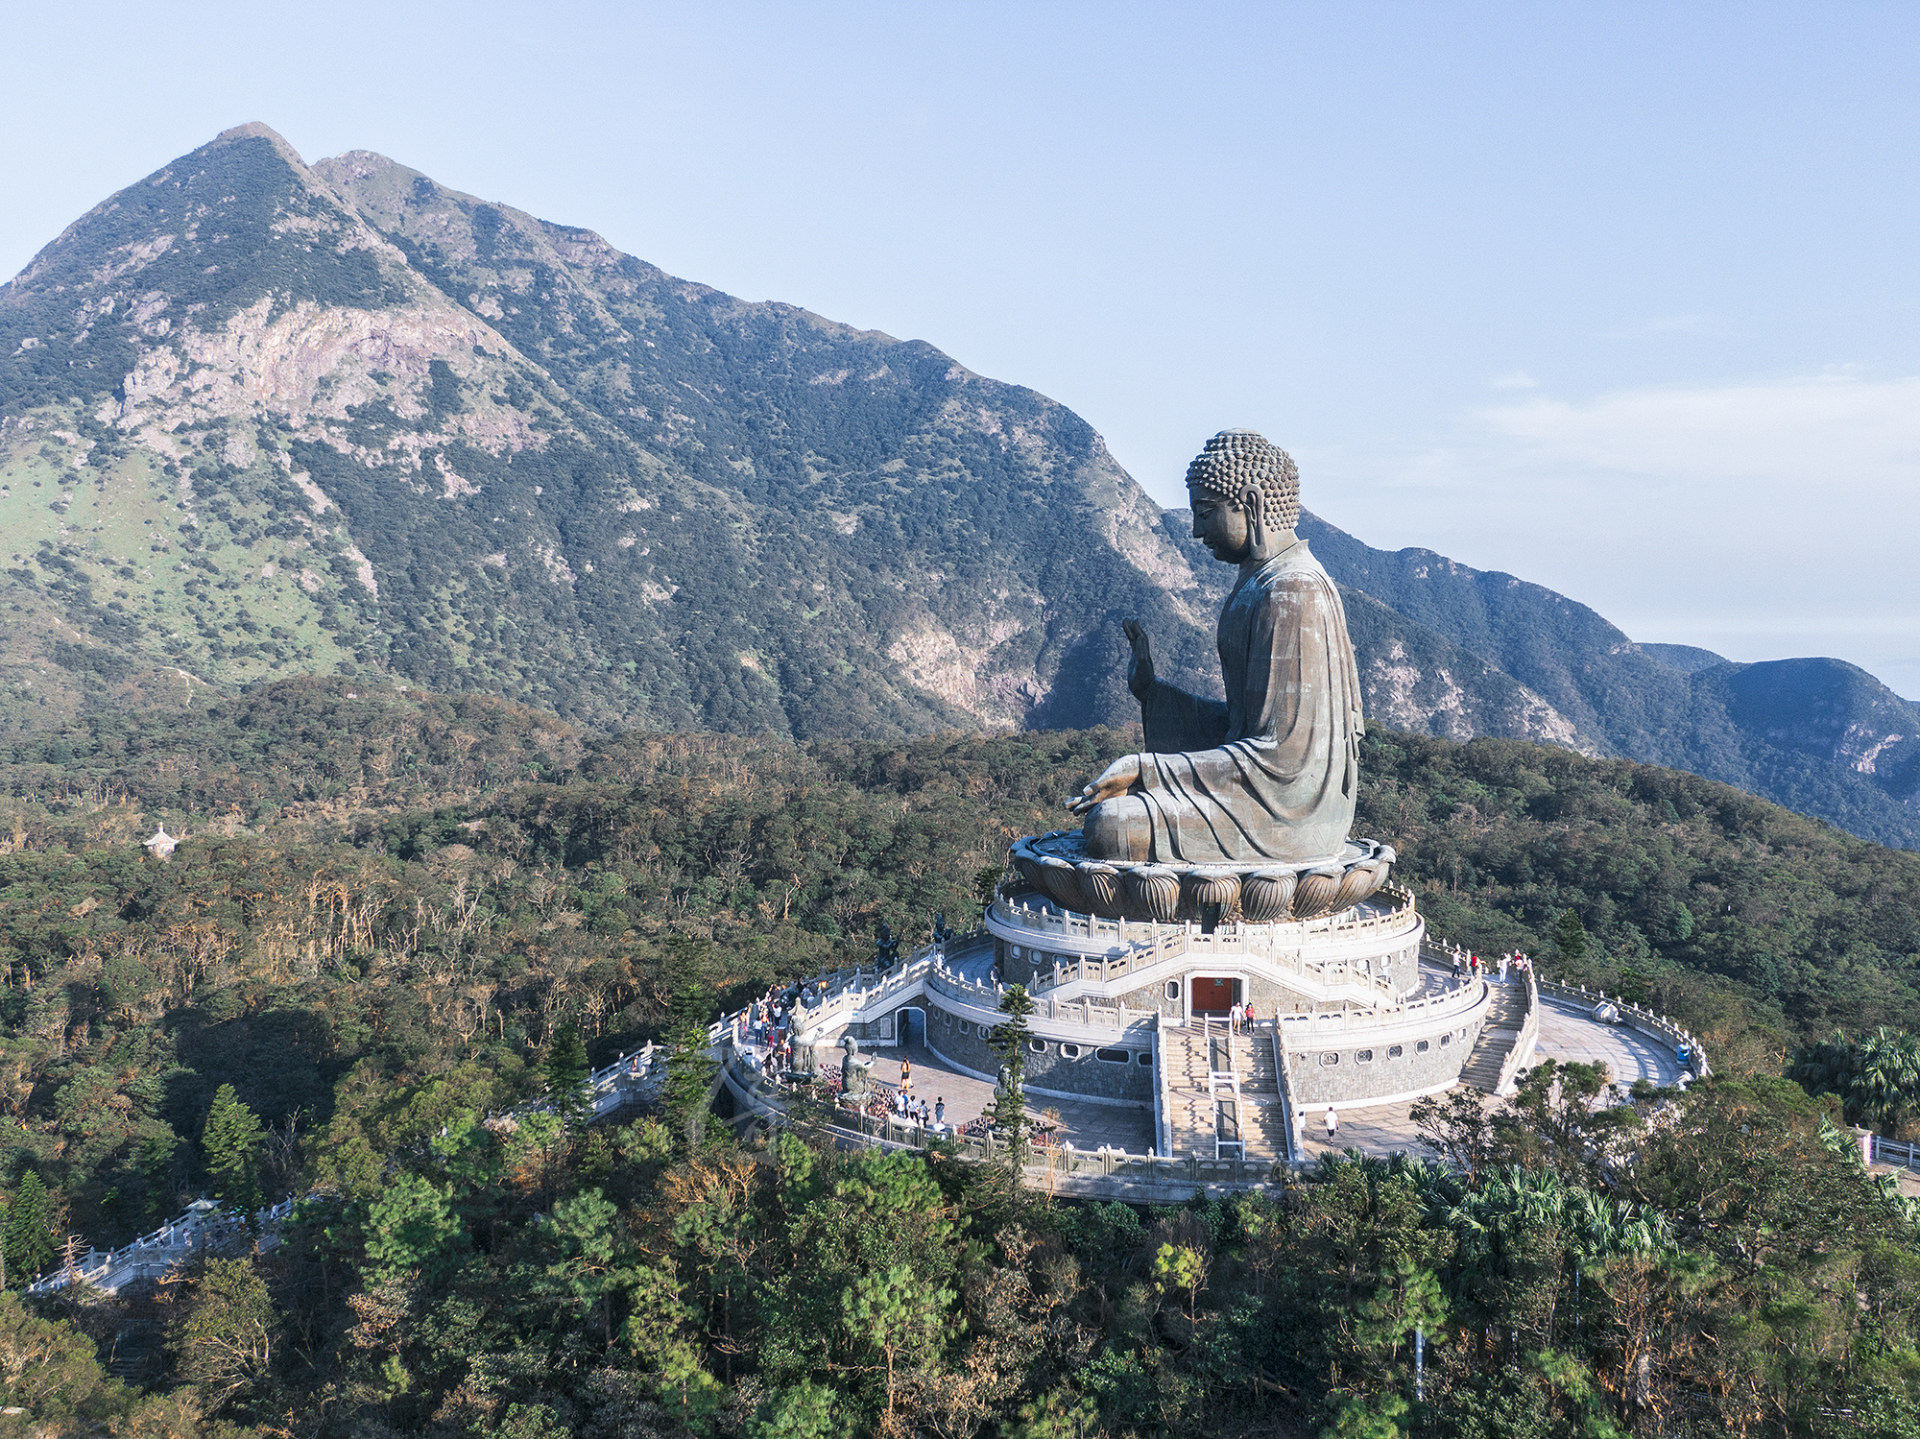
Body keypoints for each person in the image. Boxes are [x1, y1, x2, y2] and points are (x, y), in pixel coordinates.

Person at [1068, 431, 1363, 864]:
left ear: (1251, 503)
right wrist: (1155, 693)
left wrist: (1147, 769)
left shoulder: (1293, 591)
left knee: (1111, 827)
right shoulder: (1261, 582)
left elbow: (1282, 760)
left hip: (1289, 812)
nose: (1195, 531)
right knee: (1111, 821)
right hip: (1260, 790)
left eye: (1206, 513)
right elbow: (1241, 728)